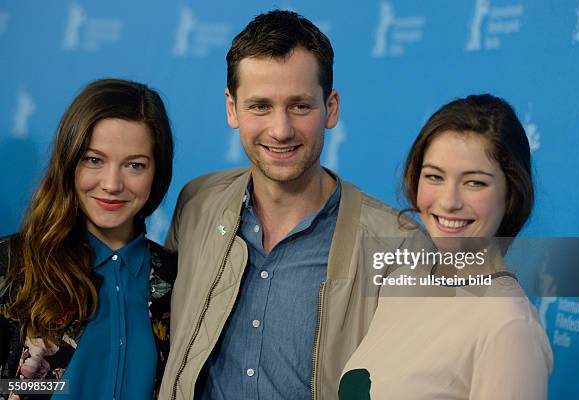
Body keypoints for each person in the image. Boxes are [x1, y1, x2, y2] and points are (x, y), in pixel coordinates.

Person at [158, 9, 428, 400]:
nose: (281, 129)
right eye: (260, 106)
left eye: (300, 106)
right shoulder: (197, 204)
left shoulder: (398, 246)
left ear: (330, 108)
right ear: (232, 108)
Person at [340, 94, 553, 399]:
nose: (449, 202)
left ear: (511, 194)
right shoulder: (401, 283)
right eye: (435, 177)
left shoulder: (509, 325)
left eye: (475, 182)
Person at [0, 78, 176, 399]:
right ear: (69, 163)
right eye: (94, 160)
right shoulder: (9, 265)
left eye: (135, 165)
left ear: (157, 172)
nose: (111, 183)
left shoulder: (175, 279)